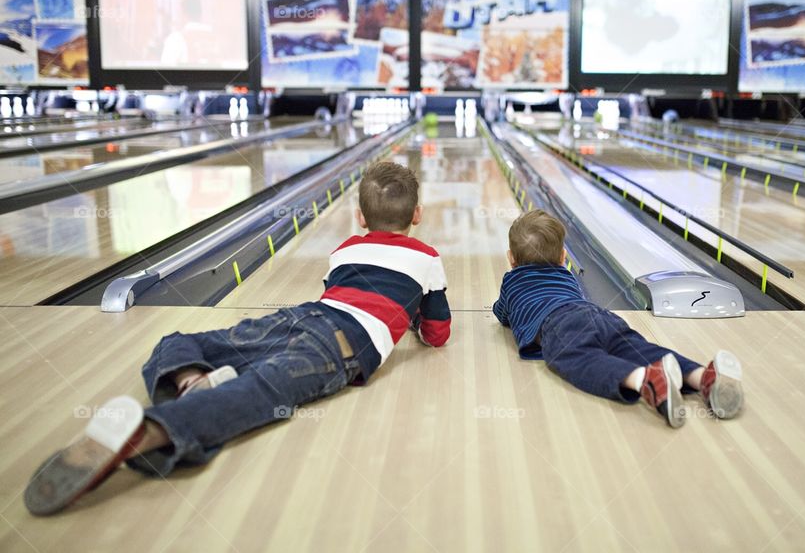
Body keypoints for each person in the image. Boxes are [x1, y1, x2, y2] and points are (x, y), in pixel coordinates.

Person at [24, 162, 451, 515]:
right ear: (418, 215)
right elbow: (436, 334)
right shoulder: (428, 258)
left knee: (183, 340)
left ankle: (189, 378)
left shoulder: (345, 249)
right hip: (336, 347)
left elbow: (334, 292)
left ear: (360, 218)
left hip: (299, 316)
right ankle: (153, 431)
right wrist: (411, 316)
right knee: (258, 392)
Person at [492, 209, 742, 428]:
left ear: (511, 258)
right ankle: (702, 377)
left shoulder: (511, 281)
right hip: (598, 314)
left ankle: (644, 379)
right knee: (638, 348)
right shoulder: (567, 276)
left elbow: (502, 314)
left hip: (558, 323)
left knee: (578, 358)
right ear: (563, 258)